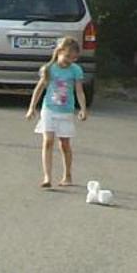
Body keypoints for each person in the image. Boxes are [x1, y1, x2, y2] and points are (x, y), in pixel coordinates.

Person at [25, 36, 89, 187]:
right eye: (67, 56)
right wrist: (32, 107)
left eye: (73, 58)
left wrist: (83, 109)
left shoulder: (75, 70)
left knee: (64, 144)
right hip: (49, 109)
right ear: (59, 52)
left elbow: (79, 91)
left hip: (66, 111)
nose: (69, 61)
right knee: (48, 141)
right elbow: (39, 88)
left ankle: (67, 175)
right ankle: (47, 177)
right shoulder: (49, 69)